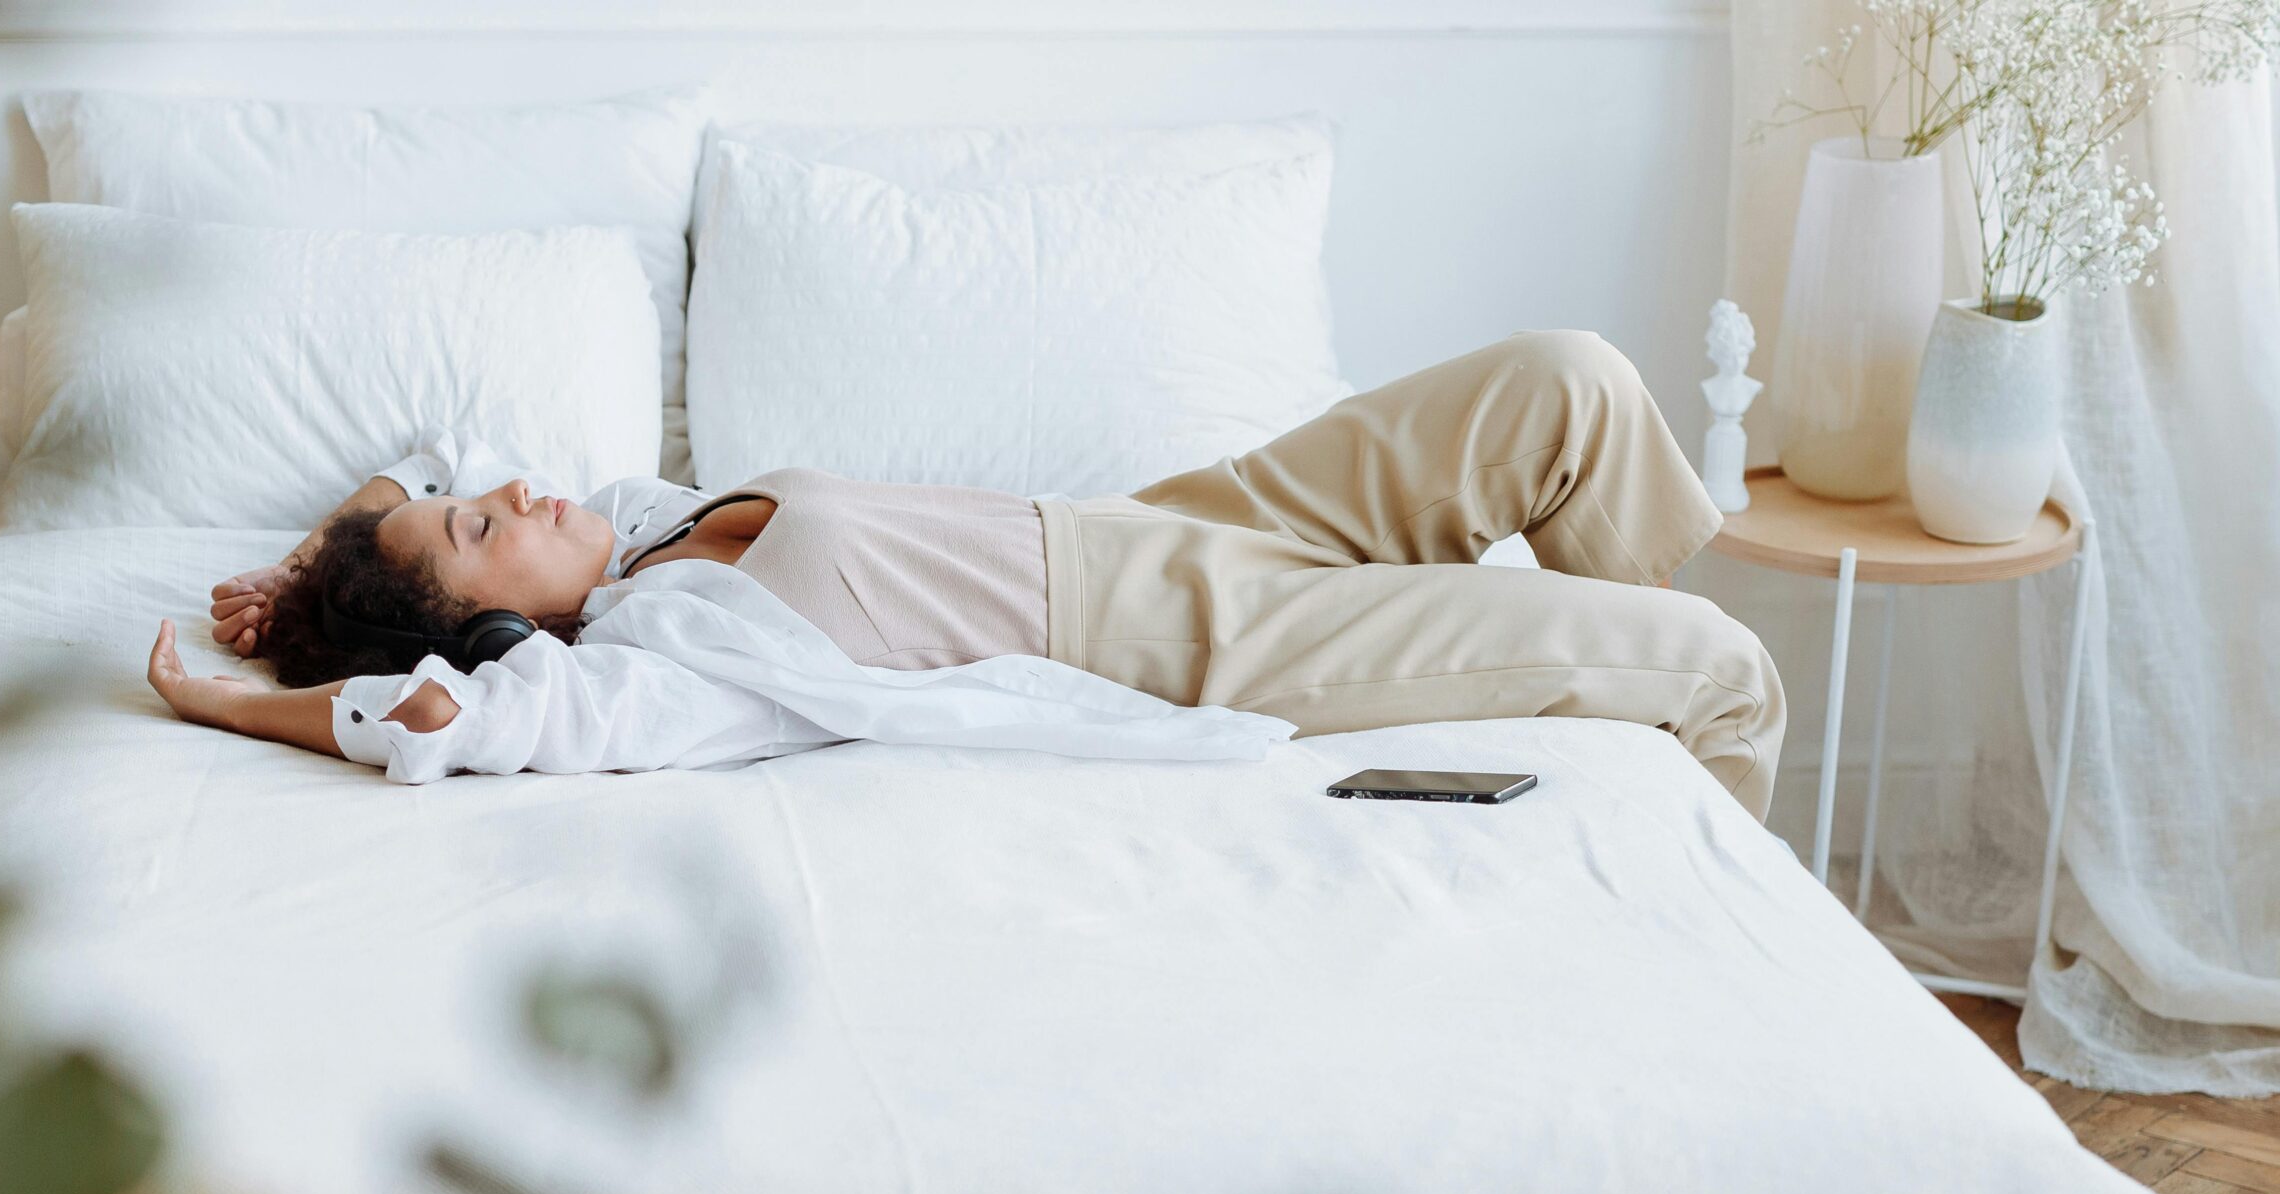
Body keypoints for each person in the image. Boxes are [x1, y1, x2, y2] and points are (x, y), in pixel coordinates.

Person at [149, 330, 1786, 817]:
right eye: (483, 533)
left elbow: (422, 446)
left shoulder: (646, 524)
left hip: (1173, 515)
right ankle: (1705, 826)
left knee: (1571, 383)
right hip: (1192, 633)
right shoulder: (663, 653)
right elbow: (448, 720)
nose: (507, 491)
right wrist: (242, 703)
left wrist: (323, 549)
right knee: (1718, 661)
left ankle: (1622, 713)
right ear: (508, 618)